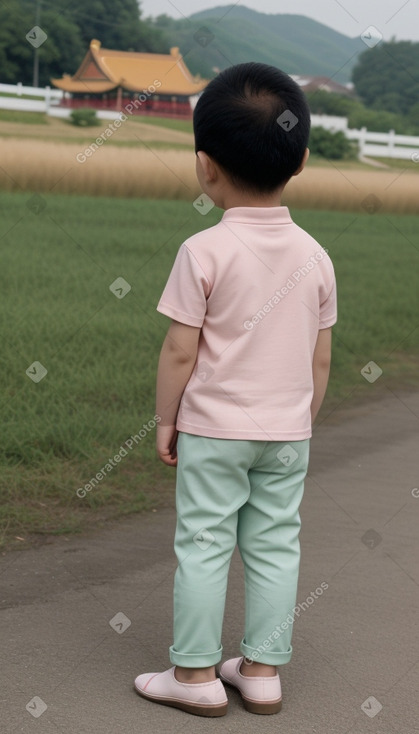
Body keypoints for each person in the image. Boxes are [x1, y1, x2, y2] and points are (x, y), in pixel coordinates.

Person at [134, 62, 337, 718]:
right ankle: (260, 672)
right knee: (277, 545)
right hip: (286, 431)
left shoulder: (203, 251)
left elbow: (180, 348)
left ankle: (192, 677)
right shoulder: (315, 257)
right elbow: (320, 358)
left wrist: (167, 420)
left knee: (203, 543)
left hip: (214, 428)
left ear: (204, 165)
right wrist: (298, 419)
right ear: (300, 160)